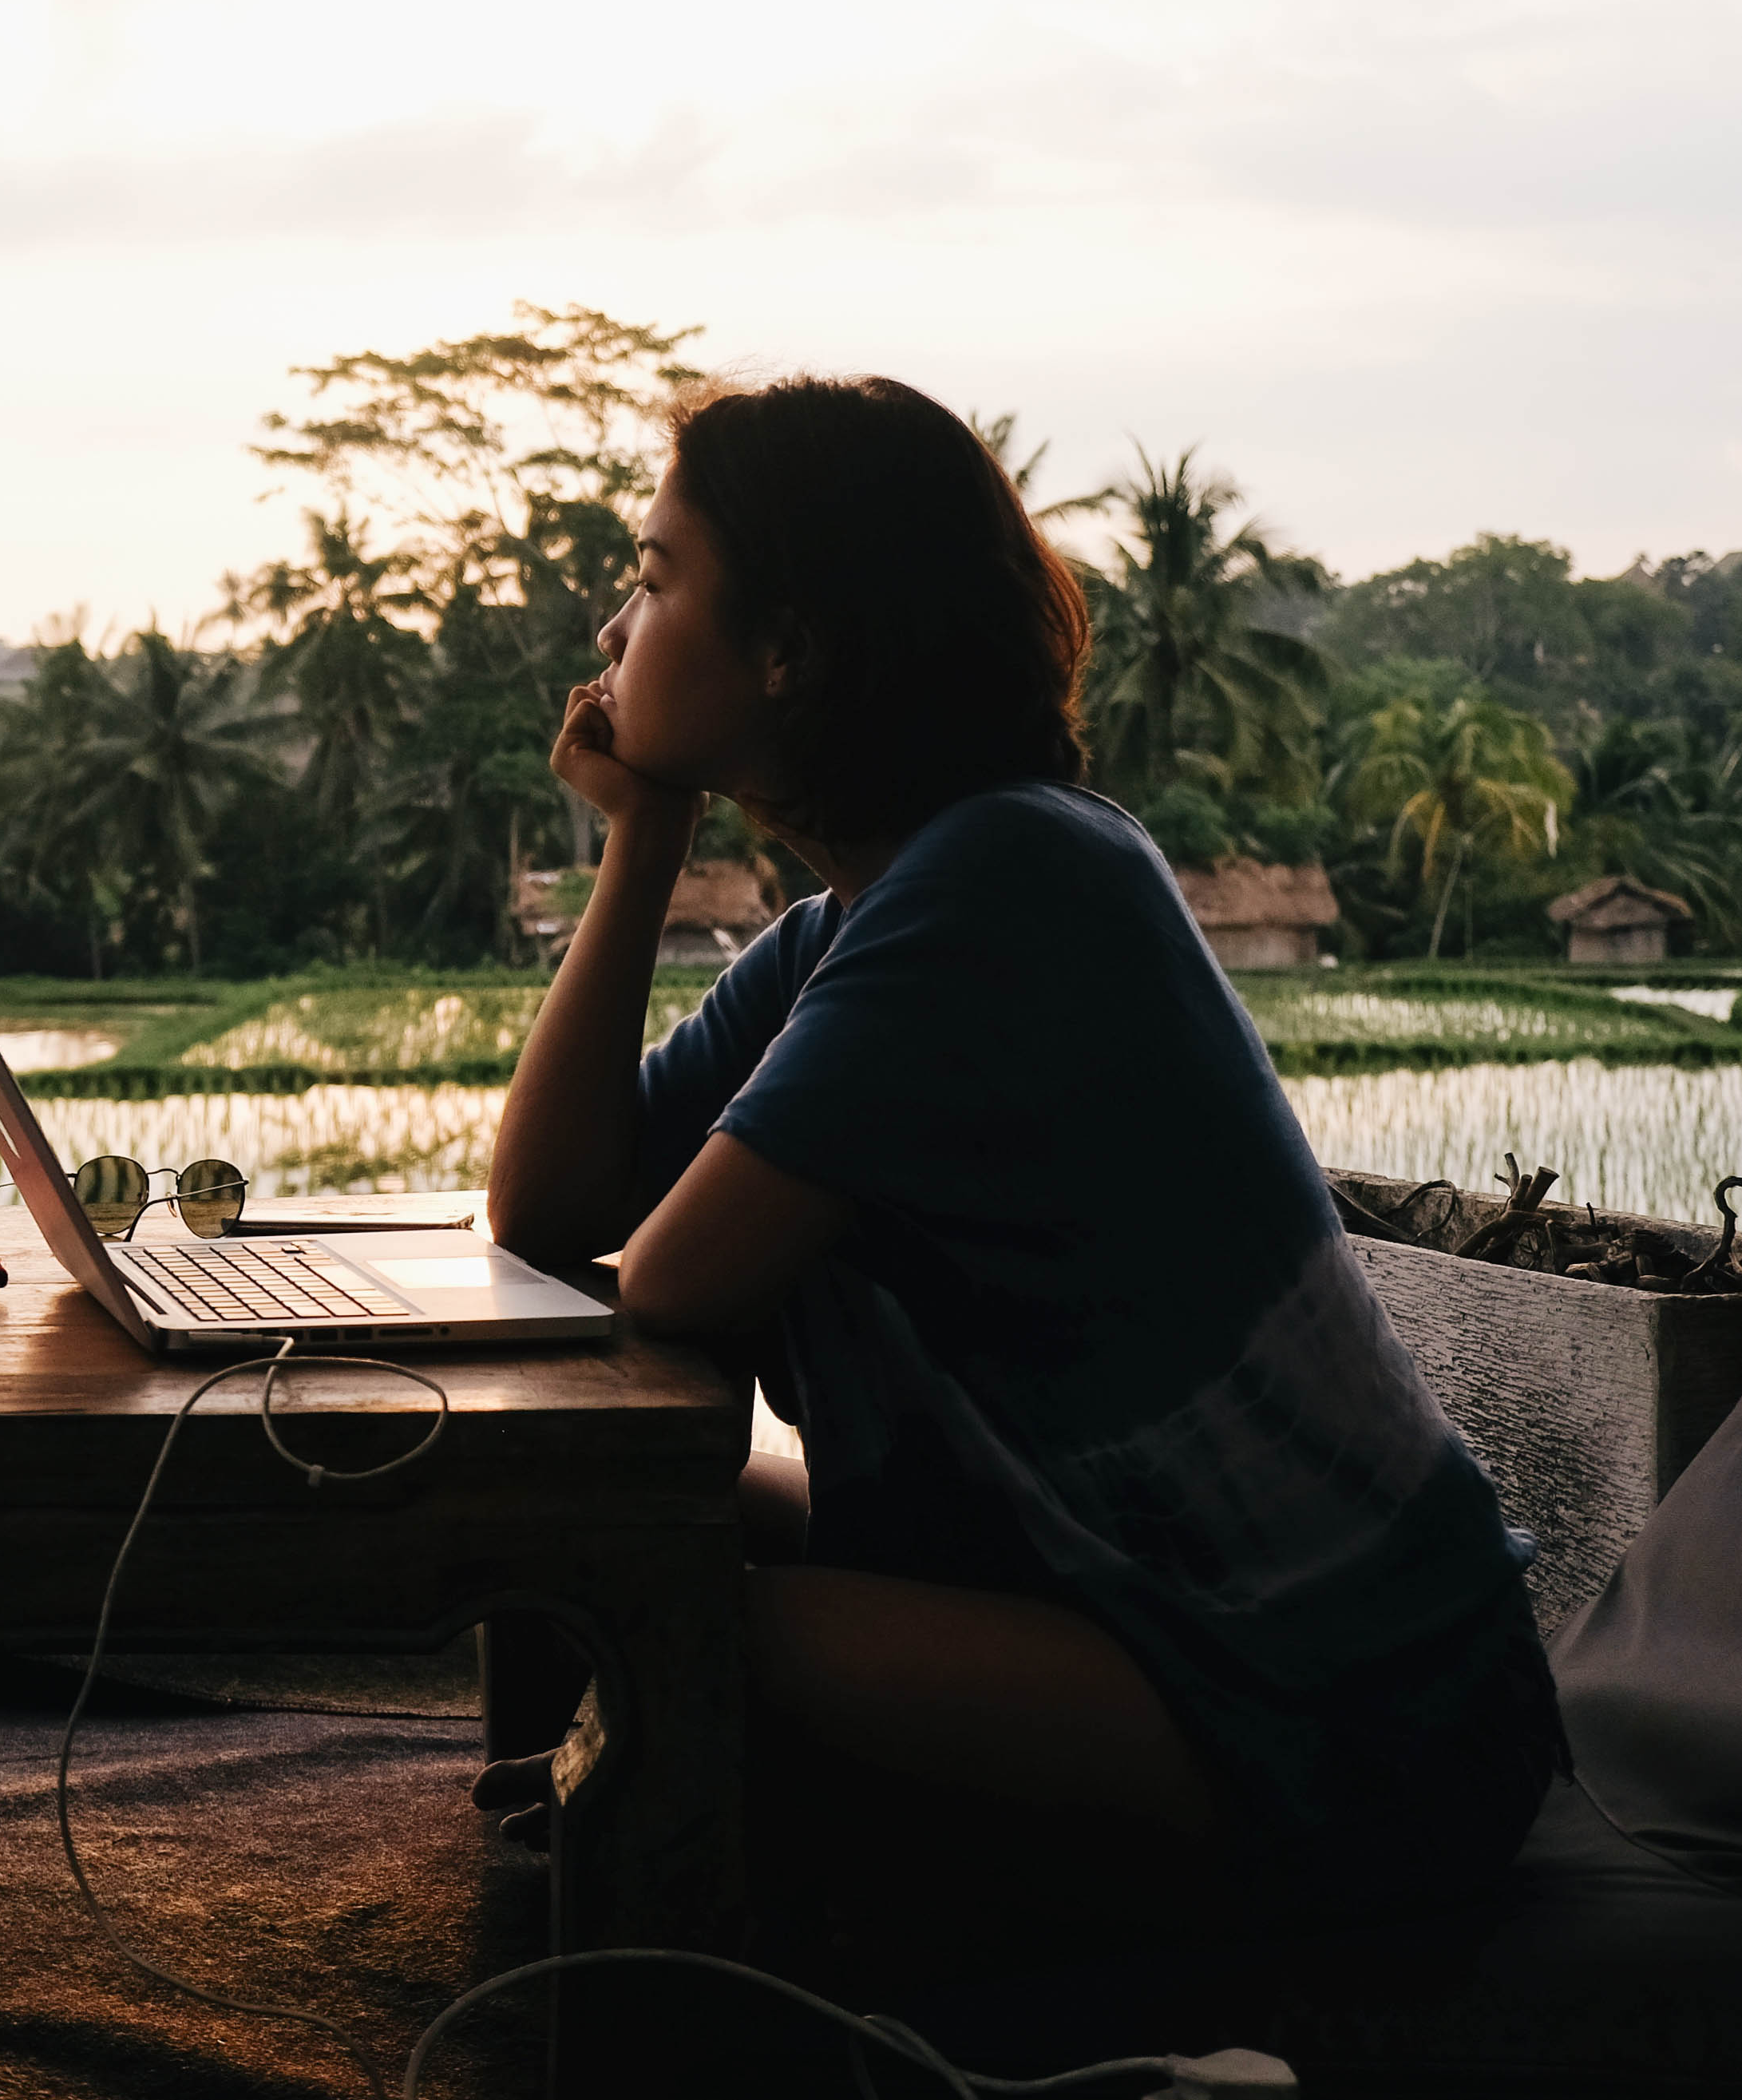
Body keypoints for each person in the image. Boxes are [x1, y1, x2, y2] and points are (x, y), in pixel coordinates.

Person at [475, 375, 1559, 1970]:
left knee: (658, 1604)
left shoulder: (1008, 881)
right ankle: (591, 1935)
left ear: (787, 646)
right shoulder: (857, 922)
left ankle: (625, 1998)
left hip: (1356, 1710)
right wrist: (639, 840)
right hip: (1125, 1602)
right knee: (585, 1539)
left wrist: (648, 820)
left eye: (650, 577)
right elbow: (551, 1208)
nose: (614, 630)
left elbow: (671, 1286)